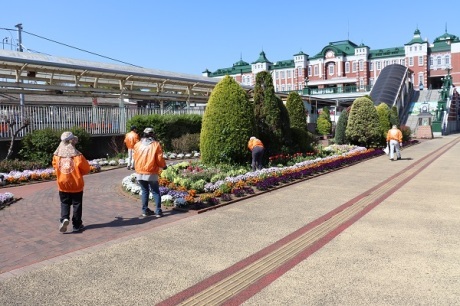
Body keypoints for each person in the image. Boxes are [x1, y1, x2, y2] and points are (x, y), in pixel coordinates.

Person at [52, 131, 91, 233]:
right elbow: (86, 169)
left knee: (64, 203)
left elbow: (55, 166)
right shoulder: (77, 155)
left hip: (62, 184)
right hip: (76, 184)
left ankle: (64, 218)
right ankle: (77, 225)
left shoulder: (57, 155)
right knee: (77, 204)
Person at [133, 127, 167, 217]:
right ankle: (158, 211)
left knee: (144, 191)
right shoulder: (156, 145)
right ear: (152, 134)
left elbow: (135, 157)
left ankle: (144, 210)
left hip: (139, 171)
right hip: (151, 171)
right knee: (155, 191)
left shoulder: (138, 144)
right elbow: (159, 159)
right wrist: (164, 166)